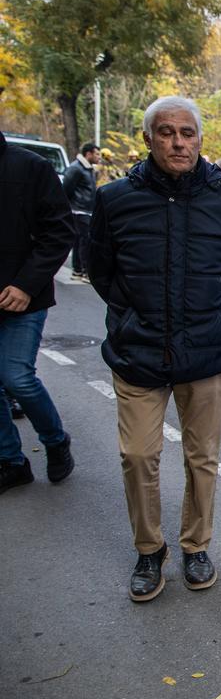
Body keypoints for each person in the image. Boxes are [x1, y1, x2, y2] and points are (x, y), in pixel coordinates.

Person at [89, 96, 221, 601]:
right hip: (137, 351)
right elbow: (99, 269)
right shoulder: (115, 199)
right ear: (148, 139)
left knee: (201, 457)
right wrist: (131, 314)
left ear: (200, 139)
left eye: (187, 133)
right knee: (138, 455)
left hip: (207, 353)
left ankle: (196, 545)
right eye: (166, 133)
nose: (178, 142)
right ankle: (149, 550)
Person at [0, 130, 76, 494]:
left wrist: (26, 284)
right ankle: (11, 461)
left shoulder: (30, 167)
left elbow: (60, 232)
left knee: (16, 377)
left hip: (22, 298)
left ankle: (55, 440)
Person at [63, 142, 100, 282]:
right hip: (78, 210)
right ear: (88, 154)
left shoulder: (88, 168)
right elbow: (66, 188)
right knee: (85, 240)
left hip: (85, 210)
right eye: (97, 154)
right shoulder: (76, 168)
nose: (99, 157)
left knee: (80, 240)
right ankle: (84, 271)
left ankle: (78, 270)